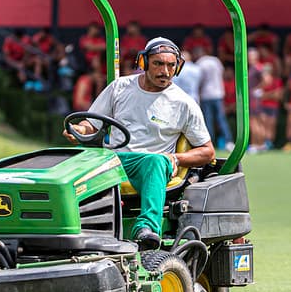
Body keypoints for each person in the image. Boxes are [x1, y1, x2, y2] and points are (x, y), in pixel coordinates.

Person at [63, 38, 214, 248]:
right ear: (143, 63)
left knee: (154, 161)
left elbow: (208, 152)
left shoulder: (184, 103)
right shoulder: (120, 88)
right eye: (158, 64)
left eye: (171, 65)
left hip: (150, 166)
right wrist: (80, 129)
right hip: (114, 160)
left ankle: (147, 229)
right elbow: (92, 124)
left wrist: (175, 158)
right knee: (72, 159)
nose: (165, 71)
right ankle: (63, 225)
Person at [194, 47, 234, 150]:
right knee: (221, 119)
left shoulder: (199, 63)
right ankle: (228, 141)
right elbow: (222, 74)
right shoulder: (215, 60)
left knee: (208, 120)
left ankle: (210, 142)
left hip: (206, 95)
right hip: (218, 94)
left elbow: (199, 81)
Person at [258, 64, 283, 150]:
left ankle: (268, 144)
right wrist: (272, 94)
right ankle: (262, 144)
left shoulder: (277, 81)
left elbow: (279, 96)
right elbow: (259, 96)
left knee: (271, 126)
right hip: (263, 106)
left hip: (273, 107)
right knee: (263, 126)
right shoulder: (261, 82)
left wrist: (266, 95)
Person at [79, 22, 107, 94]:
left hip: (102, 65)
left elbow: (106, 46)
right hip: (88, 67)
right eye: (94, 29)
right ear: (90, 29)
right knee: (99, 81)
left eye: (97, 29)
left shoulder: (100, 39)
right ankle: (98, 103)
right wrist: (98, 47)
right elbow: (88, 46)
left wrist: (93, 47)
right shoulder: (84, 38)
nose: (96, 31)